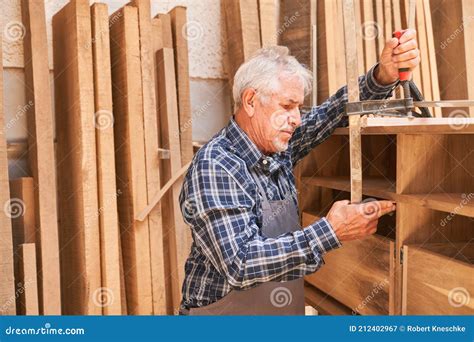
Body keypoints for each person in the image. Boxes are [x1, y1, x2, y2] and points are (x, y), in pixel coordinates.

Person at [179, 30, 420, 315]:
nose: (296, 118)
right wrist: (331, 231)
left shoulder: (277, 147)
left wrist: (382, 75)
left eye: (299, 107)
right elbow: (240, 264)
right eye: (287, 106)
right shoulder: (217, 165)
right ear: (251, 101)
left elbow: (331, 113)